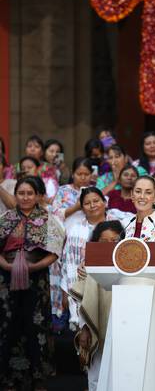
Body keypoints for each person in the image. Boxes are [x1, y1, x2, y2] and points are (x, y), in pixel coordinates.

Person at [0, 177, 64, 390]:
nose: (25, 197)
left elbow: (55, 251)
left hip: (36, 281)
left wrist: (34, 267)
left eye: (30, 193)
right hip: (6, 281)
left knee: (35, 325)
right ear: (15, 195)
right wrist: (6, 266)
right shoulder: (5, 218)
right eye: (21, 193)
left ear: (38, 196)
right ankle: (8, 379)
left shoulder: (47, 219)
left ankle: (38, 378)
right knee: (8, 325)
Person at [70, 221, 124, 391]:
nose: (110, 245)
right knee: (97, 374)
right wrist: (85, 329)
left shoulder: (131, 265)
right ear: (96, 242)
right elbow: (85, 302)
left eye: (115, 241)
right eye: (104, 241)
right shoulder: (89, 265)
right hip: (96, 324)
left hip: (123, 327)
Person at [50, 157, 93, 331]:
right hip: (63, 238)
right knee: (61, 276)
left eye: (86, 174)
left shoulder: (93, 191)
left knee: (78, 274)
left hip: (83, 240)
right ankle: (60, 315)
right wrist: (77, 205)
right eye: (79, 173)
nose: (82, 177)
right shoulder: (63, 190)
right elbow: (55, 213)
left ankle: (82, 315)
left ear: (91, 175)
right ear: (73, 174)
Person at [60, 187, 107, 329]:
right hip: (83, 288)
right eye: (87, 203)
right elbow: (67, 264)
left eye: (96, 201)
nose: (92, 206)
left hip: (109, 288)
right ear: (82, 208)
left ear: (104, 202)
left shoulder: (119, 224)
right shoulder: (75, 230)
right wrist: (66, 293)